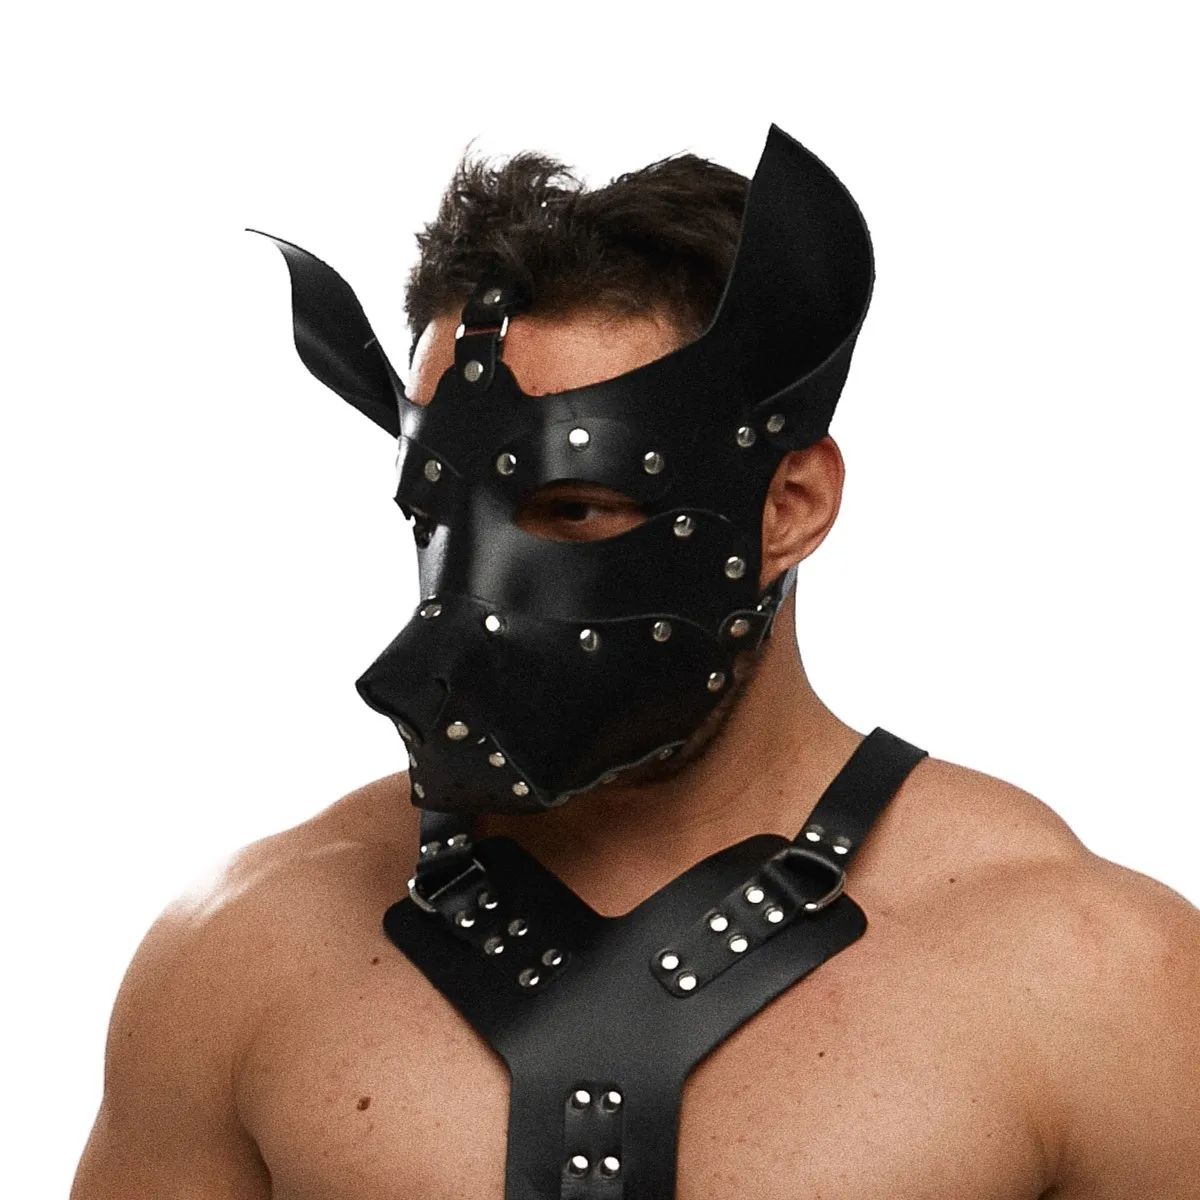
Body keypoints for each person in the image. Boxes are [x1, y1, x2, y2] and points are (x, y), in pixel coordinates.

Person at [71, 129, 1200, 1200]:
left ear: (789, 506)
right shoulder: (243, 954)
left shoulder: (1093, 978)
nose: (481, 600)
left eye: (575, 508)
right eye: (442, 514)